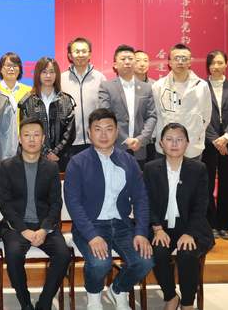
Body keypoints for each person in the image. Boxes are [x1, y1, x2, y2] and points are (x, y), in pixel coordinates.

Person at [64, 108, 153, 310]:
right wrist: (92, 236)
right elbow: (73, 203)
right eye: (98, 129)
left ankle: (118, 289)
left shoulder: (128, 161)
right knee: (100, 264)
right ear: (89, 133)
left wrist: (141, 232)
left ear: (116, 131)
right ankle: (94, 296)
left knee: (144, 261)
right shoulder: (78, 162)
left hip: (122, 225)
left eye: (109, 129)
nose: (103, 134)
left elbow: (140, 199)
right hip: (91, 226)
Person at [0, 118, 72, 310]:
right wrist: (23, 230)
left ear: (43, 139)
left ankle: (44, 303)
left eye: (36, 135)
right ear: (20, 139)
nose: (32, 139)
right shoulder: (7, 166)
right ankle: (25, 303)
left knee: (63, 255)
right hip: (16, 227)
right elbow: (4, 204)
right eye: (27, 135)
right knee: (13, 254)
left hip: (44, 226)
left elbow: (56, 203)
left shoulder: (51, 167)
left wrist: (44, 229)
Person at [144, 123, 214, 310]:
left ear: (187, 143)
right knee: (158, 251)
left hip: (191, 226)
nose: (174, 144)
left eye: (179, 139)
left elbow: (201, 205)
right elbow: (146, 202)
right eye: (169, 139)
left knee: (187, 252)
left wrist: (190, 232)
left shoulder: (198, 169)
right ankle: (170, 296)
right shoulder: (151, 168)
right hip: (160, 227)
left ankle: (187, 302)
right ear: (161, 143)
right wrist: (157, 228)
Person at [202, 50, 228, 240]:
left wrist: (226, 137)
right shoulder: (201, 86)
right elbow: (200, 115)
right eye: (212, 63)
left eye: (220, 62)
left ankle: (224, 224)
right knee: (207, 183)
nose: (216, 66)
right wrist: (215, 139)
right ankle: (210, 224)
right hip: (208, 141)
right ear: (208, 66)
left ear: (226, 64)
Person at [98, 45, 157, 167]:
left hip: (139, 147)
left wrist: (141, 139)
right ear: (115, 65)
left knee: (138, 177)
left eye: (130, 58)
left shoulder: (146, 87)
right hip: (115, 145)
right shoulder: (106, 87)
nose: (127, 62)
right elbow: (105, 116)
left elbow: (151, 116)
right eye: (123, 59)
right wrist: (125, 139)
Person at [152, 43, 211, 160]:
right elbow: (157, 114)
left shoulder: (202, 86)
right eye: (176, 58)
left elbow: (206, 115)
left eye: (184, 59)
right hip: (165, 146)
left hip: (192, 145)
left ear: (190, 62)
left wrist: (196, 132)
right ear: (169, 62)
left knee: (192, 172)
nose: (180, 62)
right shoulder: (158, 86)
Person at [19, 57, 76, 172]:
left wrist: (57, 152)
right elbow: (26, 131)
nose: (48, 76)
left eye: (52, 72)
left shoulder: (66, 100)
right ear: (38, 74)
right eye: (44, 72)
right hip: (34, 157)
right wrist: (45, 152)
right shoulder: (27, 101)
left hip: (61, 159)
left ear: (57, 74)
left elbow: (70, 132)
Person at [61, 37, 106, 158]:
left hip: (95, 140)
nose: (80, 55)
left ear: (90, 54)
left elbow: (105, 110)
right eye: (76, 51)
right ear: (70, 55)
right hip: (69, 142)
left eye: (84, 51)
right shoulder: (61, 79)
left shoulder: (100, 78)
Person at [133, 49, 157, 161]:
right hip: (135, 138)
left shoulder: (156, 85)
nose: (142, 64)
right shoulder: (127, 86)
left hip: (153, 138)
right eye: (138, 60)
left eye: (145, 60)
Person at [0, 51, 32, 116]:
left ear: (20, 70)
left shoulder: (29, 91)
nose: (11, 69)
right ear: (0, 69)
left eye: (15, 66)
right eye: (8, 66)